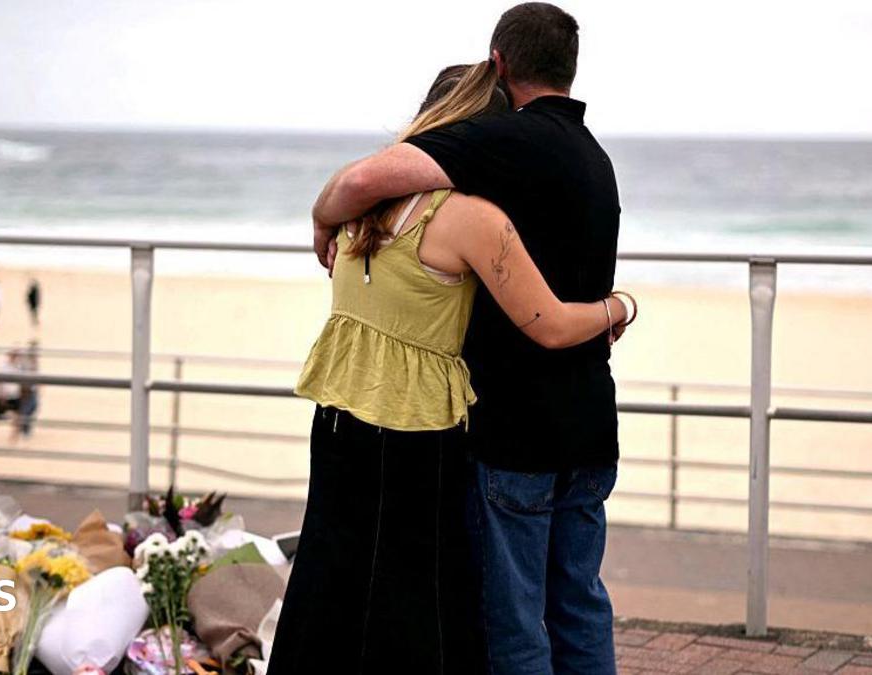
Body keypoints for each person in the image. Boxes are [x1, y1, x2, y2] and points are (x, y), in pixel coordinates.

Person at [268, 58, 632, 675]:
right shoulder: (469, 217)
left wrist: (319, 217)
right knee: (424, 598)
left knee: (332, 578)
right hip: (416, 429)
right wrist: (618, 305)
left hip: (338, 416)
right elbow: (546, 323)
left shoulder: (361, 207)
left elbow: (346, 194)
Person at [17, 340, 40, 437]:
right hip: (26, 389)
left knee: (34, 407)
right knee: (26, 409)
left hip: (33, 388)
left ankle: (26, 429)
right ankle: (24, 431)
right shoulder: (25, 360)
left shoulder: (35, 359)